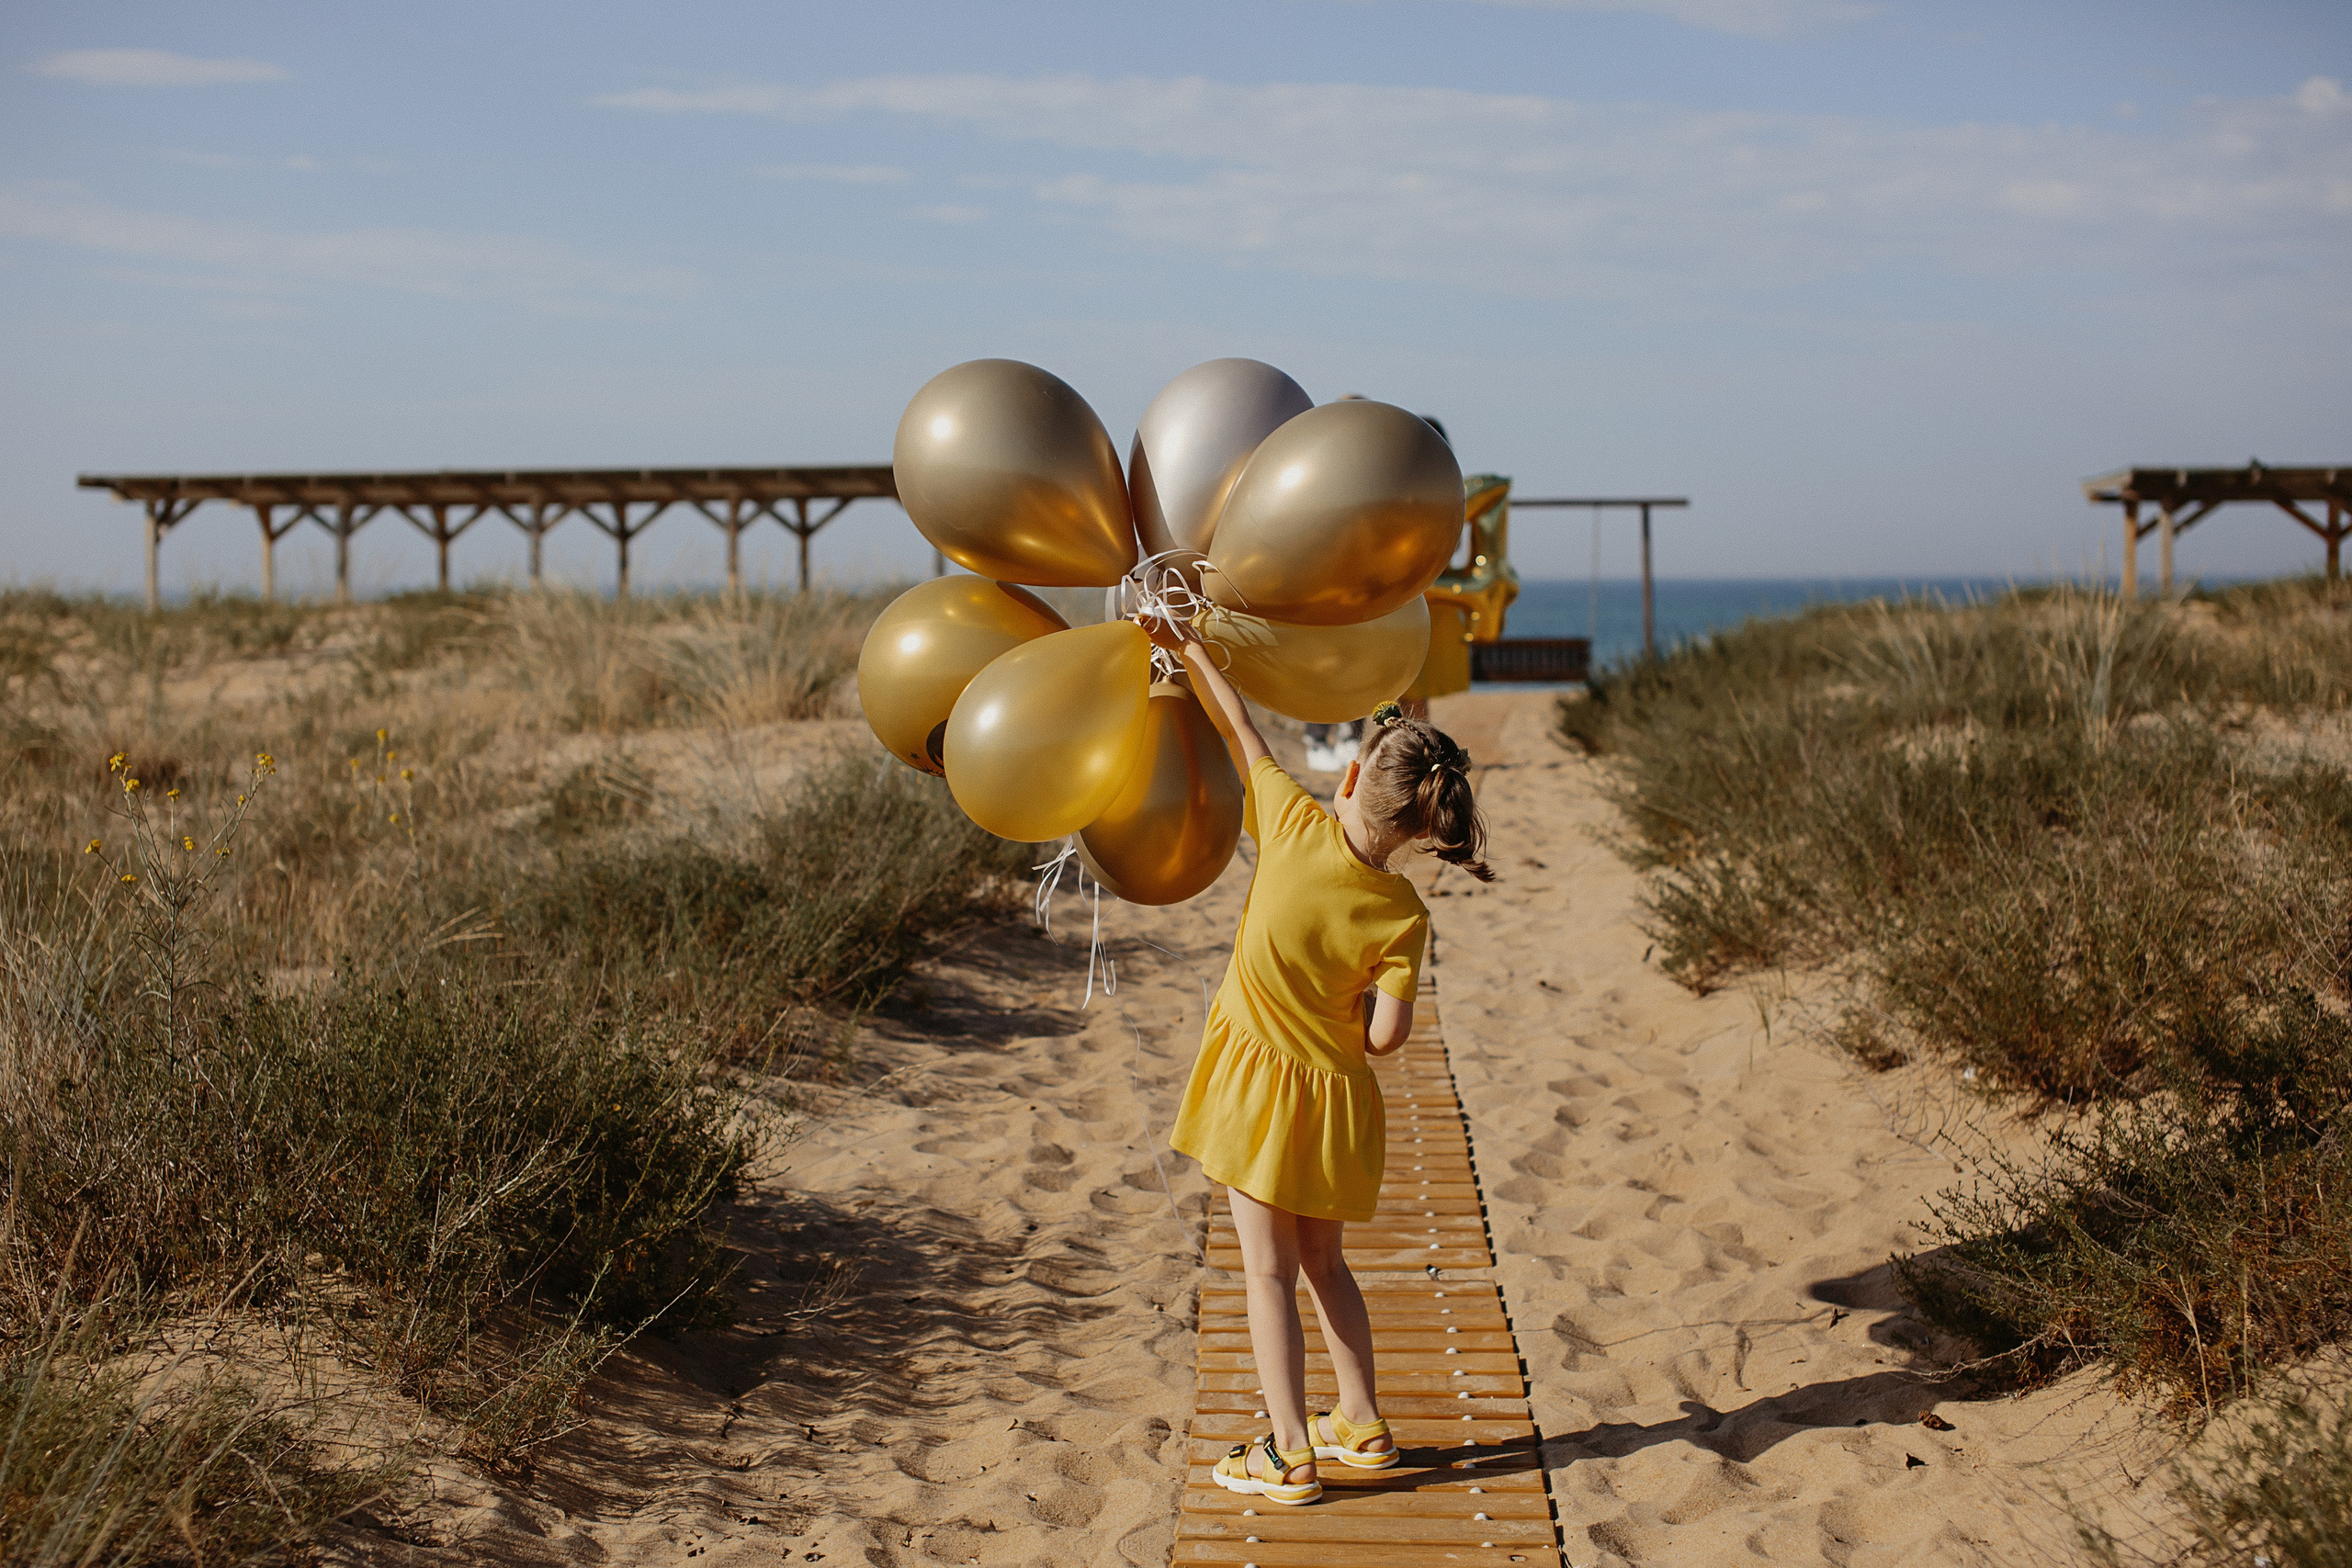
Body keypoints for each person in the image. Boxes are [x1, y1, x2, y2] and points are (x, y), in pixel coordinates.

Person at [1169, 642, 1495, 1505]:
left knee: (1266, 1272)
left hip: (1257, 1097)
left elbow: (1241, 728)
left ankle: (1288, 1451)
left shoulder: (1289, 820)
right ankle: (1361, 1418)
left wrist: (1191, 645)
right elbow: (1387, 1037)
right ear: (1425, 829)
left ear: (1349, 778)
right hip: (1333, 1106)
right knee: (1325, 1264)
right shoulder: (1403, 913)